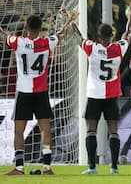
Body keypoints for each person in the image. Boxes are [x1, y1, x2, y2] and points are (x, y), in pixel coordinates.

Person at [1, 10, 76, 175]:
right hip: (41, 93)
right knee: (45, 129)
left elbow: (6, 36)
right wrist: (69, 21)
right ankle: (47, 167)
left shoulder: (18, 42)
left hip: (24, 92)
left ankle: (19, 167)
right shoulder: (47, 42)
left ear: (26, 27)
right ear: (41, 27)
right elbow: (61, 33)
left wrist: (4, 31)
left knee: (18, 131)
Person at [75, 13, 131, 175]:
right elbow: (128, 34)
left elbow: (78, 37)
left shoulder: (92, 48)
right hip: (112, 96)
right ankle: (114, 167)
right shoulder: (118, 48)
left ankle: (92, 167)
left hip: (94, 95)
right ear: (111, 36)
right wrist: (130, 18)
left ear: (99, 36)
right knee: (114, 132)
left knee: (91, 130)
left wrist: (70, 21)